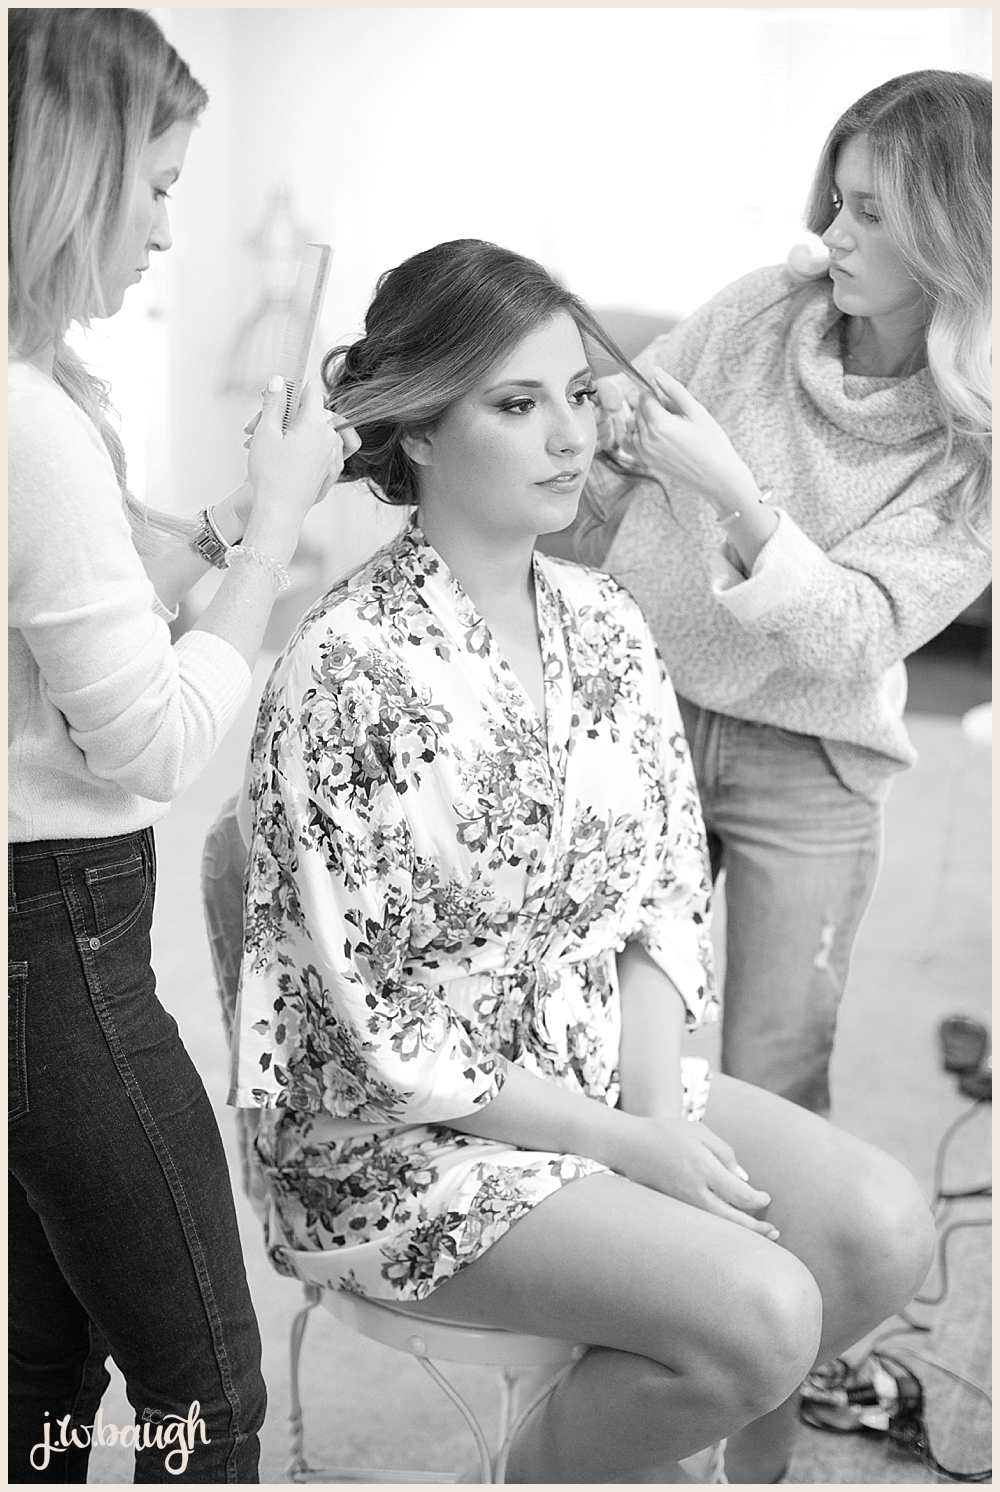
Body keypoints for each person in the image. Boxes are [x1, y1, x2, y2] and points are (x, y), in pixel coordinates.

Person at [229, 239, 936, 1484]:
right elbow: (379, 1032)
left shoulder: (605, 617)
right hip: (397, 1141)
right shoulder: (344, 669)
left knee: (878, 1234)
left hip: (596, 1070)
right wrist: (625, 1147)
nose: (571, 436)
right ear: (420, 429)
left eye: (573, 393)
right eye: (516, 404)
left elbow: (661, 893)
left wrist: (652, 1117)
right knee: (762, 1311)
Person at [8, 10, 356, 1482]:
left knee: (38, 1366)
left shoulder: (36, 406)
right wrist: (274, 535)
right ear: (65, 172)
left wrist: (230, 522)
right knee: (204, 1388)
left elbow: (66, 622)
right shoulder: (28, 425)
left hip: (41, 937)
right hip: (57, 951)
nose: (164, 231)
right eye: (152, 188)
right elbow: (149, 740)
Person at [578, 69, 992, 1117]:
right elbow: (623, 424)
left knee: (775, 1071)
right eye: (838, 200)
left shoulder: (973, 450)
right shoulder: (763, 307)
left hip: (810, 760)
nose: (831, 235)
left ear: (952, 237)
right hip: (645, 710)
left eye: (871, 214)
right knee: (595, 1040)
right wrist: (589, 409)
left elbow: (854, 634)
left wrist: (730, 490)